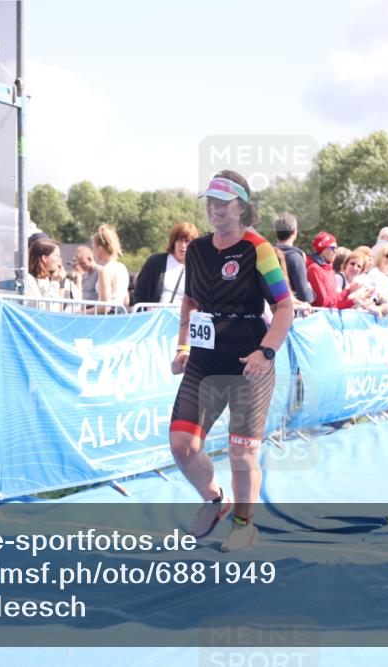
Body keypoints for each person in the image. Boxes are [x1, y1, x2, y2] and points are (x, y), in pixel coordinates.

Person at [169, 170, 293, 553]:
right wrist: (184, 346)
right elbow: (190, 301)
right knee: (181, 445)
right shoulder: (200, 250)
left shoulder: (260, 249)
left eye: (224, 203)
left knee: (241, 453)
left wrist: (265, 352)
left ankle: (244, 523)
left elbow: (285, 307)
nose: (215, 209)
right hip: (205, 362)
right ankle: (214, 500)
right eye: (210, 202)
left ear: (242, 207)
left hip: (248, 364)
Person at [132, 222, 199, 305]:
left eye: (187, 241)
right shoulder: (155, 261)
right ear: (173, 241)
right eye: (179, 240)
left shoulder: (198, 267)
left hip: (181, 316)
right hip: (154, 315)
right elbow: (140, 291)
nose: (183, 246)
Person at [272, 213, 315, 305]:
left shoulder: (267, 255)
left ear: (276, 232)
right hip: (291, 314)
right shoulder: (295, 258)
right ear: (294, 231)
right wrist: (311, 292)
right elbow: (304, 296)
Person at [92, 224, 129, 310]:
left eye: (94, 248)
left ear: (100, 249)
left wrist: (80, 313)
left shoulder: (105, 270)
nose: (93, 251)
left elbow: (105, 307)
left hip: (107, 319)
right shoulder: (122, 268)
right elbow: (126, 301)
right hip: (120, 316)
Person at [23, 238, 64, 311]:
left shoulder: (46, 279)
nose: (59, 259)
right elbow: (42, 309)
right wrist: (55, 282)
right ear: (44, 258)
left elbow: (56, 309)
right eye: (56, 256)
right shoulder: (28, 280)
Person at [306, 231, 341, 308]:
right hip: (318, 317)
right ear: (322, 249)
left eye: (336, 248)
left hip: (328, 316)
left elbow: (334, 300)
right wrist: (346, 293)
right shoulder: (314, 269)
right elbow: (322, 302)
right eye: (332, 248)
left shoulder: (330, 270)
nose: (335, 251)